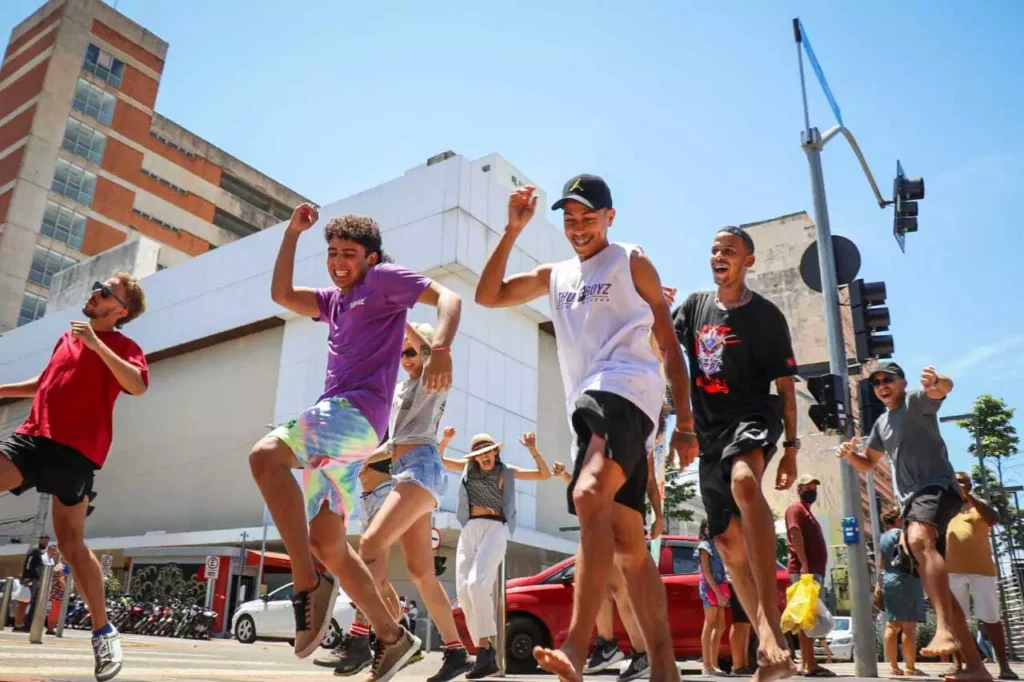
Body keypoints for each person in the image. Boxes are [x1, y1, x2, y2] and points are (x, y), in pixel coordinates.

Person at [476, 177, 696, 682]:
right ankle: (664, 665)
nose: (578, 228)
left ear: (610, 217)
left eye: (588, 217)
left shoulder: (628, 259)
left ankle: (577, 646)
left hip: (626, 389)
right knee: (629, 544)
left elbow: (667, 339)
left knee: (587, 492)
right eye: (569, 219)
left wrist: (685, 422)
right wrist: (511, 231)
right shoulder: (556, 275)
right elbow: (489, 296)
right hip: (592, 405)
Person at [249, 205, 461, 682]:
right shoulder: (333, 300)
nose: (339, 262)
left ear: (371, 258)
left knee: (265, 457)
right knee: (329, 543)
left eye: (349, 254)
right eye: (332, 254)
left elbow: (449, 297)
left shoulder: (384, 280)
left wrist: (441, 349)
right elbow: (281, 293)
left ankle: (306, 583)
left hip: (357, 413)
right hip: (345, 431)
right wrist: (291, 234)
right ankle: (391, 637)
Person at [0, 273, 148, 681]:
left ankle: (104, 633)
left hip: (76, 454)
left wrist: (96, 344)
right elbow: (42, 384)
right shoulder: (67, 339)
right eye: (97, 285)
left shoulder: (123, 346)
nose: (95, 291)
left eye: (105, 291)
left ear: (117, 311)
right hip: (33, 438)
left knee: (70, 543)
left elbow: (136, 386)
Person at [673, 226, 799, 682]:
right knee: (726, 541)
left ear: (749, 260)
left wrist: (791, 450)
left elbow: (785, 387)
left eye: (729, 249)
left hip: (753, 415)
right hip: (708, 430)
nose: (718, 255)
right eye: (713, 249)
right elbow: (663, 350)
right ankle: (768, 639)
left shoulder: (765, 317)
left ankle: (774, 630)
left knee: (746, 482)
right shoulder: (692, 307)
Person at [331, 322, 473, 682]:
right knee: (421, 573)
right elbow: (395, 442)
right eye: (400, 353)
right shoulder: (399, 390)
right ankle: (456, 654)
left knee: (371, 545)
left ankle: (363, 639)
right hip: (404, 469)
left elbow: (431, 353)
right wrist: (358, 458)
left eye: (409, 351)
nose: (405, 358)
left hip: (422, 470)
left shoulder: (433, 378)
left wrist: (401, 315)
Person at [838, 362, 991, 682]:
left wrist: (939, 380)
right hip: (912, 503)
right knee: (934, 583)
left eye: (888, 379)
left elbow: (944, 389)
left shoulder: (916, 401)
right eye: (876, 382)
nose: (881, 385)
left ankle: (945, 630)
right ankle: (976, 668)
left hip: (937, 487)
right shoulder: (881, 424)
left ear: (902, 382)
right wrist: (849, 455)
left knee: (919, 540)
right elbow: (868, 463)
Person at [440, 426, 553, 679]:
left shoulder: (506, 471)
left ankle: (483, 652)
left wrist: (533, 450)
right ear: (474, 458)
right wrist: (445, 441)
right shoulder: (468, 469)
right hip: (470, 528)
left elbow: (543, 475)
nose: (484, 456)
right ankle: (485, 651)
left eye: (489, 451)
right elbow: (438, 459)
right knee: (463, 593)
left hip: (495, 528)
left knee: (477, 586)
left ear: (495, 453)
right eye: (479, 454)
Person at [553, 453, 663, 682]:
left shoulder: (638, 443)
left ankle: (615, 646)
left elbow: (650, 482)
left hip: (623, 521)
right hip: (607, 519)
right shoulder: (602, 444)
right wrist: (566, 476)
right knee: (612, 590)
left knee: (607, 587)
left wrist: (659, 515)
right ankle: (626, 650)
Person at [313, 446, 404, 670]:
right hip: (368, 498)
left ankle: (359, 639)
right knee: (379, 579)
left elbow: (396, 446)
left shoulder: (384, 415)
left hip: (384, 493)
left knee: (370, 572)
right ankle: (400, 640)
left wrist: (362, 459)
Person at [948, 471, 1018, 680]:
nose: (958, 485)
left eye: (962, 482)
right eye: (955, 482)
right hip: (952, 571)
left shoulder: (978, 504)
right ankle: (959, 664)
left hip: (982, 570)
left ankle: (1004, 666)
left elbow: (993, 518)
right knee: (955, 621)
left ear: (969, 484)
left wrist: (969, 496)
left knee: (991, 617)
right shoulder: (946, 507)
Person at [785, 474, 833, 677]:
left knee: (808, 619)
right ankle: (808, 664)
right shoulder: (796, 509)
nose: (813, 489)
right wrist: (804, 565)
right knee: (807, 618)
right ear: (800, 489)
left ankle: (807, 662)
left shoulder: (808, 512)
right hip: (805, 572)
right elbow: (795, 534)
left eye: (815, 485)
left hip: (812, 572)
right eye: (809, 486)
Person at [875, 505, 926, 677]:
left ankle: (893, 666)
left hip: (889, 580)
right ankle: (910, 668)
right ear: (898, 519)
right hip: (907, 579)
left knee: (892, 625)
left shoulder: (883, 538)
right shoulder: (902, 534)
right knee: (909, 627)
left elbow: (881, 564)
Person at [697, 518, 730, 676]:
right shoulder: (704, 547)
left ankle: (714, 663)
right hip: (710, 589)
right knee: (710, 624)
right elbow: (706, 572)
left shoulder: (718, 545)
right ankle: (706, 665)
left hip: (720, 587)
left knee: (720, 625)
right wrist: (717, 593)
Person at [15, 535, 48, 631]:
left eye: (46, 542)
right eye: (44, 542)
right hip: (30, 579)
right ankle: (18, 624)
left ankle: (21, 624)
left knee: (26, 602)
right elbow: (28, 564)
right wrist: (26, 577)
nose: (45, 544)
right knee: (23, 602)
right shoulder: (34, 550)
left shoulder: (39, 552)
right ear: (40, 541)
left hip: (34, 579)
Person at [729, 593, 755, 676]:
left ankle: (744, 664)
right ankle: (737, 665)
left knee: (746, 625)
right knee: (739, 622)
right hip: (735, 585)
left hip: (747, 586)